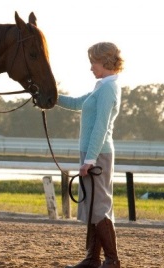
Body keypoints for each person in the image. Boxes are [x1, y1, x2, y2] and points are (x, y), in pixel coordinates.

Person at [58, 42, 124, 268]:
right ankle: (92, 258)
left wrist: (89, 160)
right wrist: (50, 97)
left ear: (104, 61)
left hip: (97, 154)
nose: (90, 68)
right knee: (92, 205)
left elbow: (101, 126)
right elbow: (77, 103)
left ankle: (112, 260)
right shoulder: (101, 86)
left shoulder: (108, 88)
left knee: (99, 207)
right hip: (92, 153)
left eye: (92, 62)